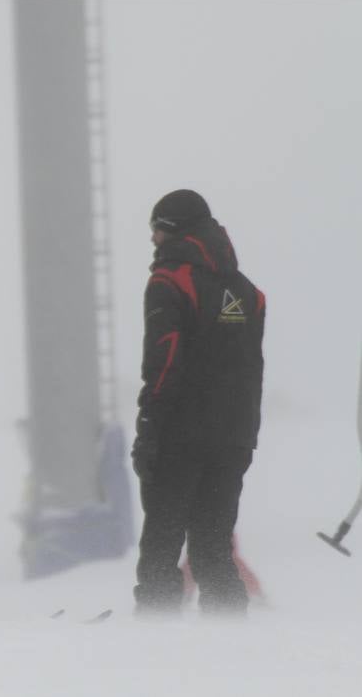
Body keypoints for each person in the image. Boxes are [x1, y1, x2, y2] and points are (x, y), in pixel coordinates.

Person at [131, 189, 265, 617]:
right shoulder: (249, 293)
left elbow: (164, 362)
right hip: (235, 439)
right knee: (212, 550)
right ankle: (229, 648)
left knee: (161, 549)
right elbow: (250, 370)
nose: (152, 239)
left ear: (171, 230)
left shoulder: (169, 281)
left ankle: (154, 645)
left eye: (156, 229)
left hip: (180, 437)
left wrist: (149, 429)